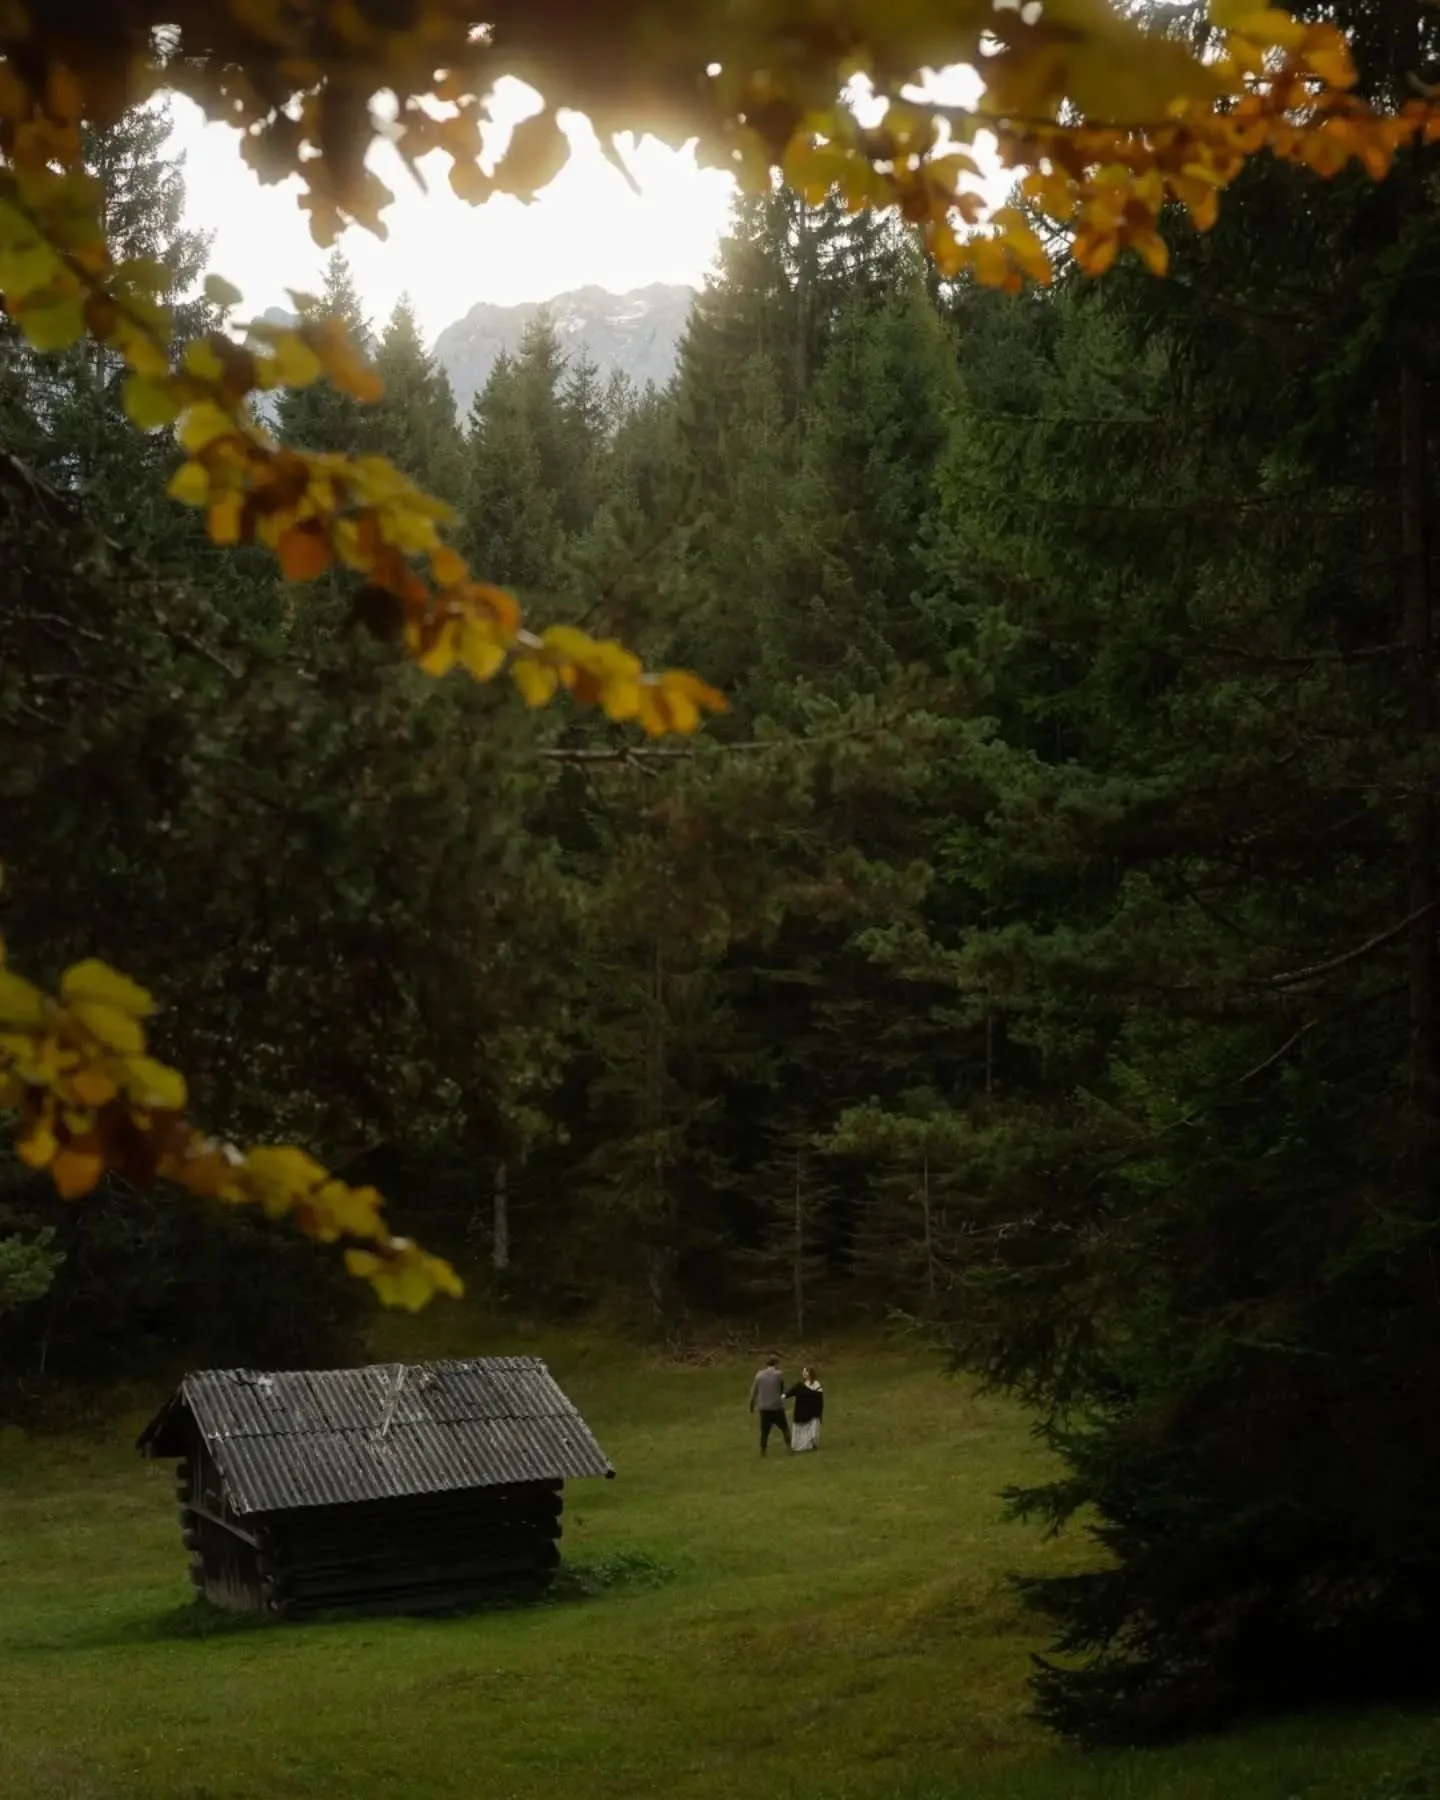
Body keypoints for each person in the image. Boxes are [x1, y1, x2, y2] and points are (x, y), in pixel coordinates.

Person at [748, 1354, 791, 1455]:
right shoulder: (778, 1375)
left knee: (764, 1431)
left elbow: (754, 1392)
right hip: (776, 1407)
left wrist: (751, 1406)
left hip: (764, 1408)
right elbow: (782, 1389)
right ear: (776, 1364)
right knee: (784, 1428)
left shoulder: (759, 1375)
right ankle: (789, 1447)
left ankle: (763, 1450)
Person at [786, 1366, 824, 1453]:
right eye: (803, 1372)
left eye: (805, 1372)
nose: (803, 1374)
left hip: (814, 1412)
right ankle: (804, 1446)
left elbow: (819, 1400)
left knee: (813, 1432)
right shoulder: (802, 1385)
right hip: (804, 1412)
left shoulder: (816, 1385)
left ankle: (813, 1445)